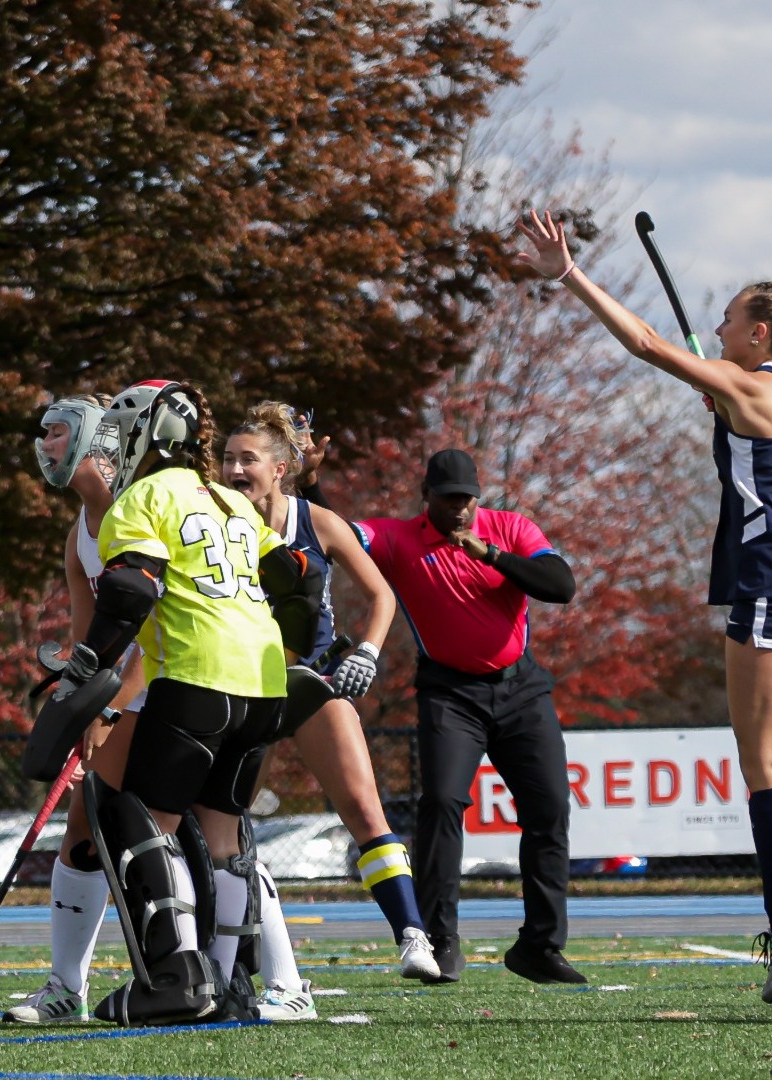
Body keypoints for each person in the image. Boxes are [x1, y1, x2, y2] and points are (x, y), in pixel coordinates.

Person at [514, 209, 772, 1001]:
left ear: (759, 336)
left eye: (730, 320)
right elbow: (752, 444)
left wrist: (571, 276)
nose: (718, 328)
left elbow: (649, 346)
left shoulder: (750, 385)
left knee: (763, 762)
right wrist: (718, 406)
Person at [40, 379, 322, 1025]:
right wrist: (295, 651)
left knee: (144, 820)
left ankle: (177, 979)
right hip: (263, 679)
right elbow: (301, 580)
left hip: (195, 674)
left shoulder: (140, 498)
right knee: (225, 837)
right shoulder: (232, 499)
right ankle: (231, 984)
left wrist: (89, 665)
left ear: (140, 432)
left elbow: (133, 590)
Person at [220, 402, 441, 982]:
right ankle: (235, 959)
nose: (233, 469)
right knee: (227, 824)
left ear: (281, 469)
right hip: (242, 686)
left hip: (312, 681)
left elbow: (382, 595)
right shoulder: (213, 519)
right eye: (226, 458)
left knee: (365, 810)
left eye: (247, 459)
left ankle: (413, 936)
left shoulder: (316, 521)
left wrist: (366, 651)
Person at [351, 450, 585, 986]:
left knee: (549, 811)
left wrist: (492, 555)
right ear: (426, 498)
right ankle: (440, 940)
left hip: (520, 689)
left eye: (467, 499)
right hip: (450, 693)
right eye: (448, 499)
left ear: (478, 497)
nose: (459, 509)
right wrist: (312, 482)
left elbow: (562, 586)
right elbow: (335, 534)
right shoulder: (399, 538)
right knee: (442, 803)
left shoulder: (509, 528)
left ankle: (540, 946)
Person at [3, 393, 150, 1024]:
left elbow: (156, 629)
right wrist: (76, 695)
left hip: (171, 688)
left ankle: (267, 978)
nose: (46, 446)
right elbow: (94, 645)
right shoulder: (79, 534)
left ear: (97, 441)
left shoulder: (136, 513)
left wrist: (109, 710)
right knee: (84, 830)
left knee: (212, 836)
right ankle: (66, 988)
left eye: (58, 433)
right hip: (123, 697)